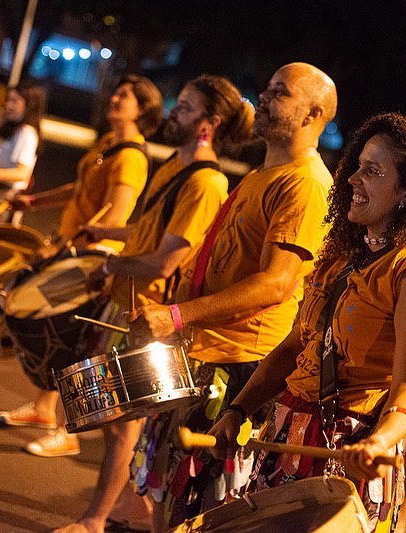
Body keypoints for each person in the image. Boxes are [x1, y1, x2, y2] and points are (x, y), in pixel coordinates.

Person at [207, 112, 406, 530]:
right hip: (286, 435)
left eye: (372, 172)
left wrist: (381, 441)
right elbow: (295, 347)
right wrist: (238, 410)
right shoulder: (341, 257)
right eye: (357, 167)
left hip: (353, 451)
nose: (351, 179)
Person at [126, 62, 337, 530]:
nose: (264, 98)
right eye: (267, 88)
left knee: (200, 508)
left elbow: (276, 283)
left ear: (313, 115)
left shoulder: (304, 184)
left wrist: (178, 315)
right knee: (169, 496)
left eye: (280, 93)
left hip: (239, 366)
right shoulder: (265, 173)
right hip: (204, 352)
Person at [52, 75, 255, 533]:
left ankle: (93, 521)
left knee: (122, 427)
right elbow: (151, 231)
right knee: (120, 425)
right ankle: (133, 506)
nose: (173, 112)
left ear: (208, 125)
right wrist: (105, 235)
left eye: (185, 107)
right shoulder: (175, 165)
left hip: (153, 317)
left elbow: (165, 262)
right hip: (130, 305)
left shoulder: (207, 183)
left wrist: (108, 264)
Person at [0, 75, 163, 457]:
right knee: (58, 334)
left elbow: (114, 217)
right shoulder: (108, 143)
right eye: (116, 92)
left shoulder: (131, 157)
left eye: (125, 96)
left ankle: (67, 432)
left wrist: (66, 250)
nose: (115, 98)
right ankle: (43, 409)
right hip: (73, 248)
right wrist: (34, 202)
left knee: (76, 342)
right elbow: (80, 188)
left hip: (92, 258)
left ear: (143, 109)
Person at [0, 83, 46, 226]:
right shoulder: (12, 128)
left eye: (14, 101)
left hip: (4, 198)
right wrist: (0, 121)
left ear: (29, 105)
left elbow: (22, 174)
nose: (8, 105)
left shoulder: (26, 133)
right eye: (8, 99)